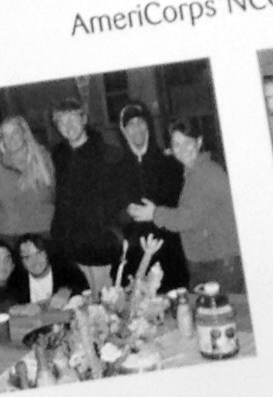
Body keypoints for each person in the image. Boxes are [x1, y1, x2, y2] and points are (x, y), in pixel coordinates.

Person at [129, 117, 240, 294]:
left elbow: (188, 218)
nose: (182, 150)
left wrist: (155, 214)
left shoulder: (207, 173)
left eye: (187, 142)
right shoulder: (192, 173)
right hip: (207, 262)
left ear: (199, 142)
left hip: (219, 265)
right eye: (176, 145)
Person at [103, 103, 186, 287]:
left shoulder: (169, 163)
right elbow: (111, 211)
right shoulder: (115, 170)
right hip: (135, 252)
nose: (137, 129)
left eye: (140, 122)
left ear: (148, 125)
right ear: (123, 131)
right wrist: (126, 213)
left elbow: (181, 205)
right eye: (130, 125)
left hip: (168, 249)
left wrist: (155, 212)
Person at [48, 100, 119, 294]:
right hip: (70, 245)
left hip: (99, 244)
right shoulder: (58, 157)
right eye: (62, 121)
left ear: (84, 119)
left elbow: (113, 202)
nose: (69, 125)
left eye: (73, 118)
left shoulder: (105, 154)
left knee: (106, 299)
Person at [0, 113, 57, 243]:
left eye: (15, 133)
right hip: (10, 236)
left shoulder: (44, 158)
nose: (11, 138)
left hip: (45, 232)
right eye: (5, 135)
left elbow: (58, 192)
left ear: (24, 134)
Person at [15, 235, 66, 307]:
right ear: (21, 262)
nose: (35, 261)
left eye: (38, 253)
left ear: (46, 254)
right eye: (27, 257)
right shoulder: (18, 284)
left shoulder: (65, 274)